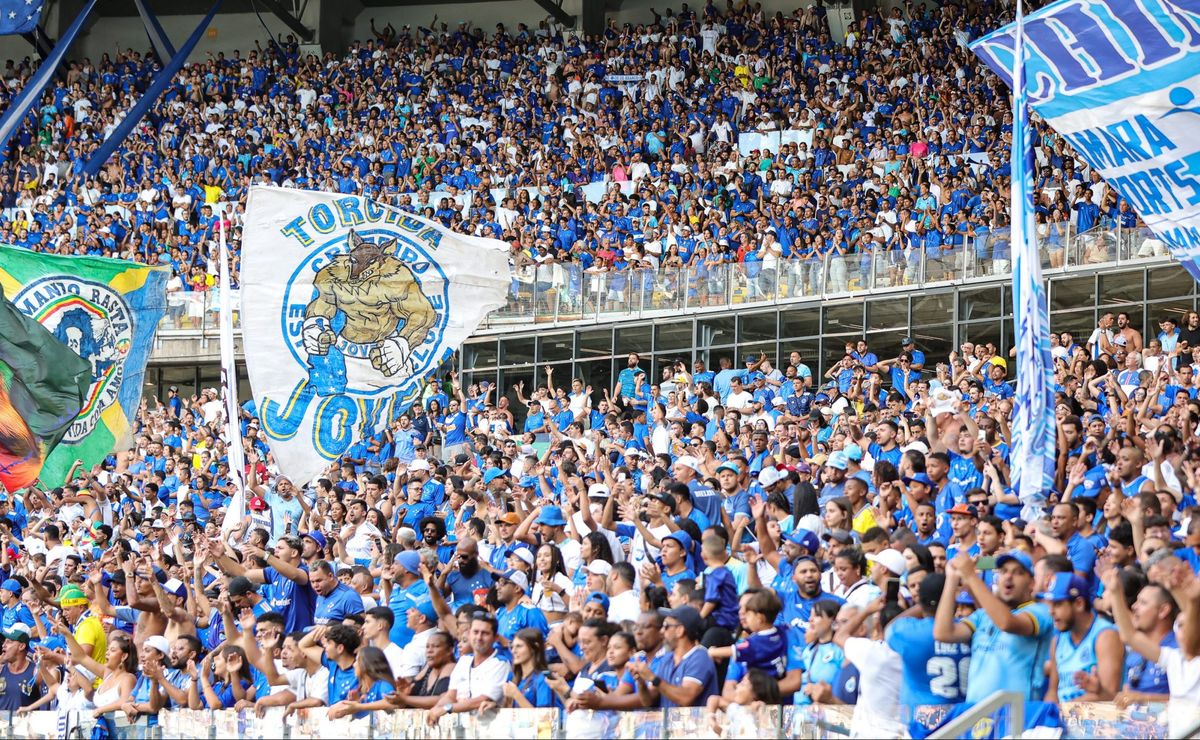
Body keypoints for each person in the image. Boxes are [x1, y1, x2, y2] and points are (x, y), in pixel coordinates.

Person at [934, 551, 1054, 703]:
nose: (1009, 577)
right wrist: (951, 579)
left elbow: (1007, 623)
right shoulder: (983, 615)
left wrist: (970, 577)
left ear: (1031, 583)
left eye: (1018, 573)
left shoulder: (1040, 612)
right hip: (977, 716)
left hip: (1018, 716)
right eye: (1004, 571)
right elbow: (943, 633)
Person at [1041, 572, 1123, 703]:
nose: (1051, 611)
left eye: (1057, 604)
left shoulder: (1105, 635)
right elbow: (1052, 691)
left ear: (1079, 603)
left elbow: (1110, 695)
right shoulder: (1057, 641)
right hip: (1063, 719)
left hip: (1096, 720)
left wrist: (1063, 711)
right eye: (1050, 604)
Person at [628, 605, 718, 708]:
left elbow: (685, 698)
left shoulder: (700, 657)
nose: (661, 631)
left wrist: (653, 678)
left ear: (680, 630)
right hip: (669, 723)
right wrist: (641, 681)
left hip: (695, 724)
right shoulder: (667, 659)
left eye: (666, 626)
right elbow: (648, 702)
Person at [427, 614, 509, 724]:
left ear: (495, 638)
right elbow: (451, 696)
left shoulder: (500, 663)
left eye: (485, 633)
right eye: (475, 632)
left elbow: (481, 700)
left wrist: (446, 708)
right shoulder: (464, 661)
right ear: (469, 634)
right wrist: (436, 709)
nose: (479, 637)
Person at [500, 628, 561, 709]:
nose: (513, 651)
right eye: (512, 646)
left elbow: (544, 718)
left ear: (534, 648)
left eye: (519, 646)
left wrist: (516, 695)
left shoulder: (544, 677)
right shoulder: (512, 676)